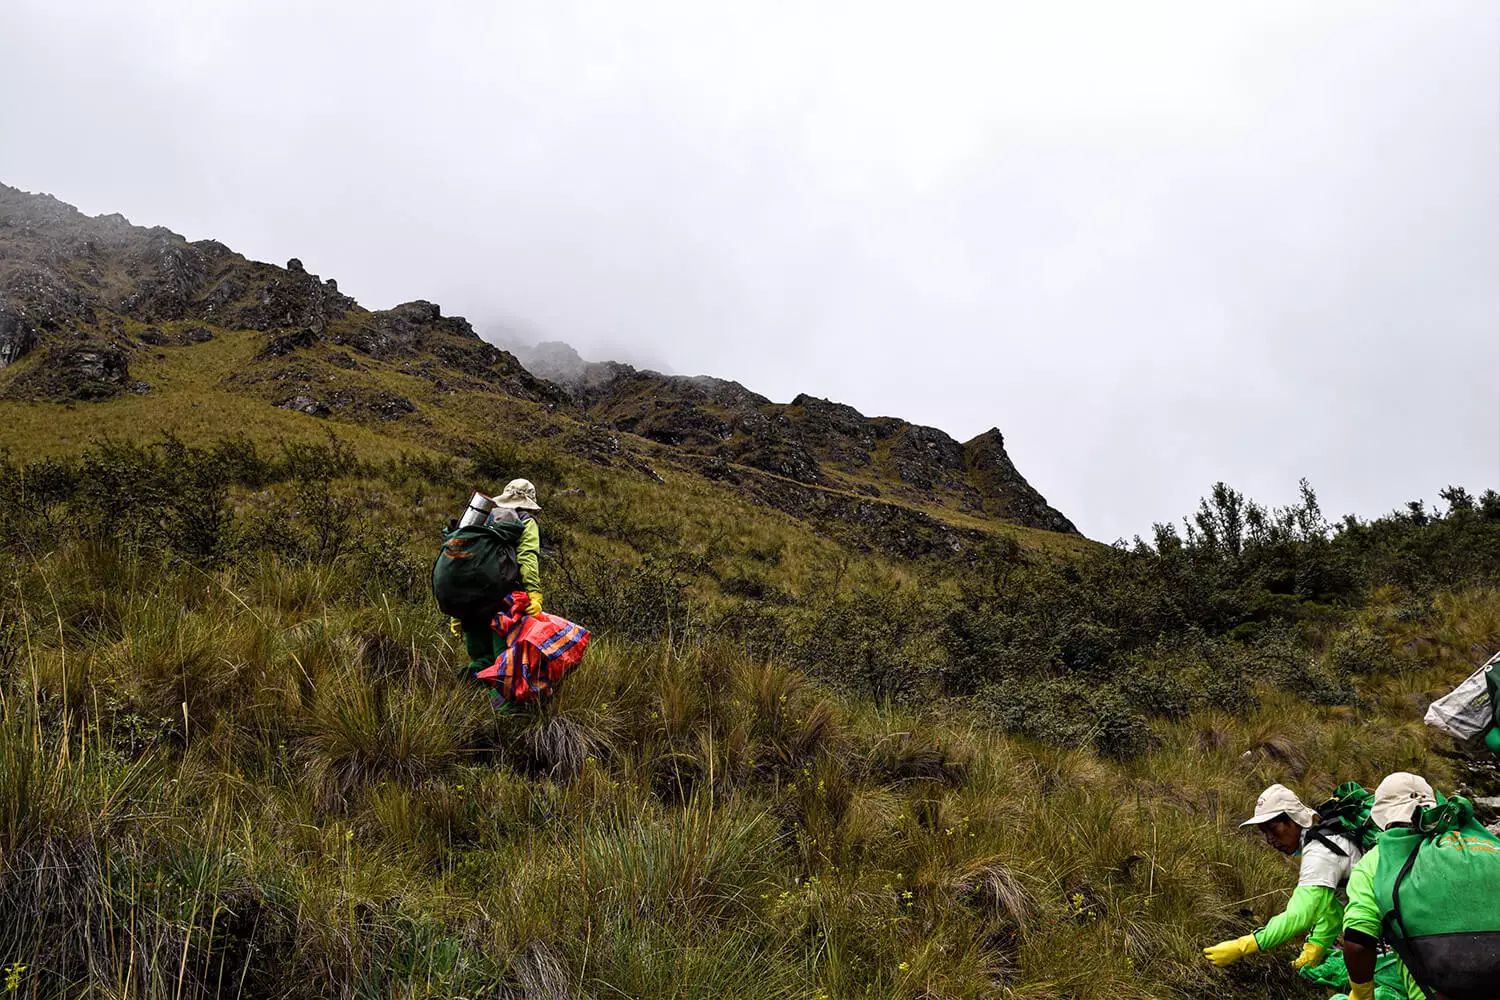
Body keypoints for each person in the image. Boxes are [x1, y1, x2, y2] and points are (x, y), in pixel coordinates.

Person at [1340, 772, 1500, 1000]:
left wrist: (1362, 995)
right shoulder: (1482, 846)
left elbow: (1358, 944)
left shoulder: (1378, 861)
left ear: (1382, 817)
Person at [1204, 783, 1363, 971]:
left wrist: (1242, 946)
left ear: (1293, 819)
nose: (1269, 839)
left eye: (1273, 829)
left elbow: (1298, 916)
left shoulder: (1321, 852)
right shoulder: (1327, 836)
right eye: (1264, 833)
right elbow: (1333, 910)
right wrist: (1313, 951)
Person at [447, 478, 544, 675]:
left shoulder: (480, 519)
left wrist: (456, 613)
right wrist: (534, 594)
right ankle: (504, 706)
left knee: (481, 659)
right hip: (505, 602)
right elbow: (527, 557)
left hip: (470, 600)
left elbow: (459, 561)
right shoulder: (526, 521)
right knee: (505, 663)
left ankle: (463, 699)